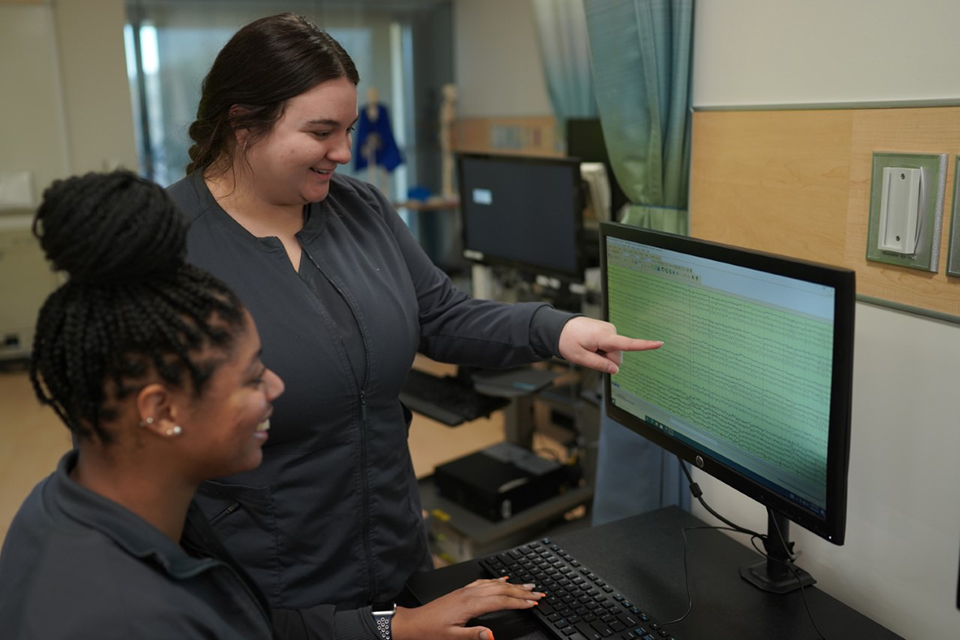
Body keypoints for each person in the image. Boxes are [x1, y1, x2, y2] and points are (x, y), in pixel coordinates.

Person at [167, 12, 662, 639]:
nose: (344, 153)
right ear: (242, 124)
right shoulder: (169, 246)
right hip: (272, 584)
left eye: (346, 129)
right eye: (321, 131)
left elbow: (441, 314)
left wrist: (557, 332)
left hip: (396, 551)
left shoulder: (361, 208)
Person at [0, 171, 544, 640]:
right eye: (253, 377)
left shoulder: (90, 505)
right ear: (160, 410)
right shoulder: (121, 615)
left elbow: (255, 627)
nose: (277, 390)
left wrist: (391, 626)